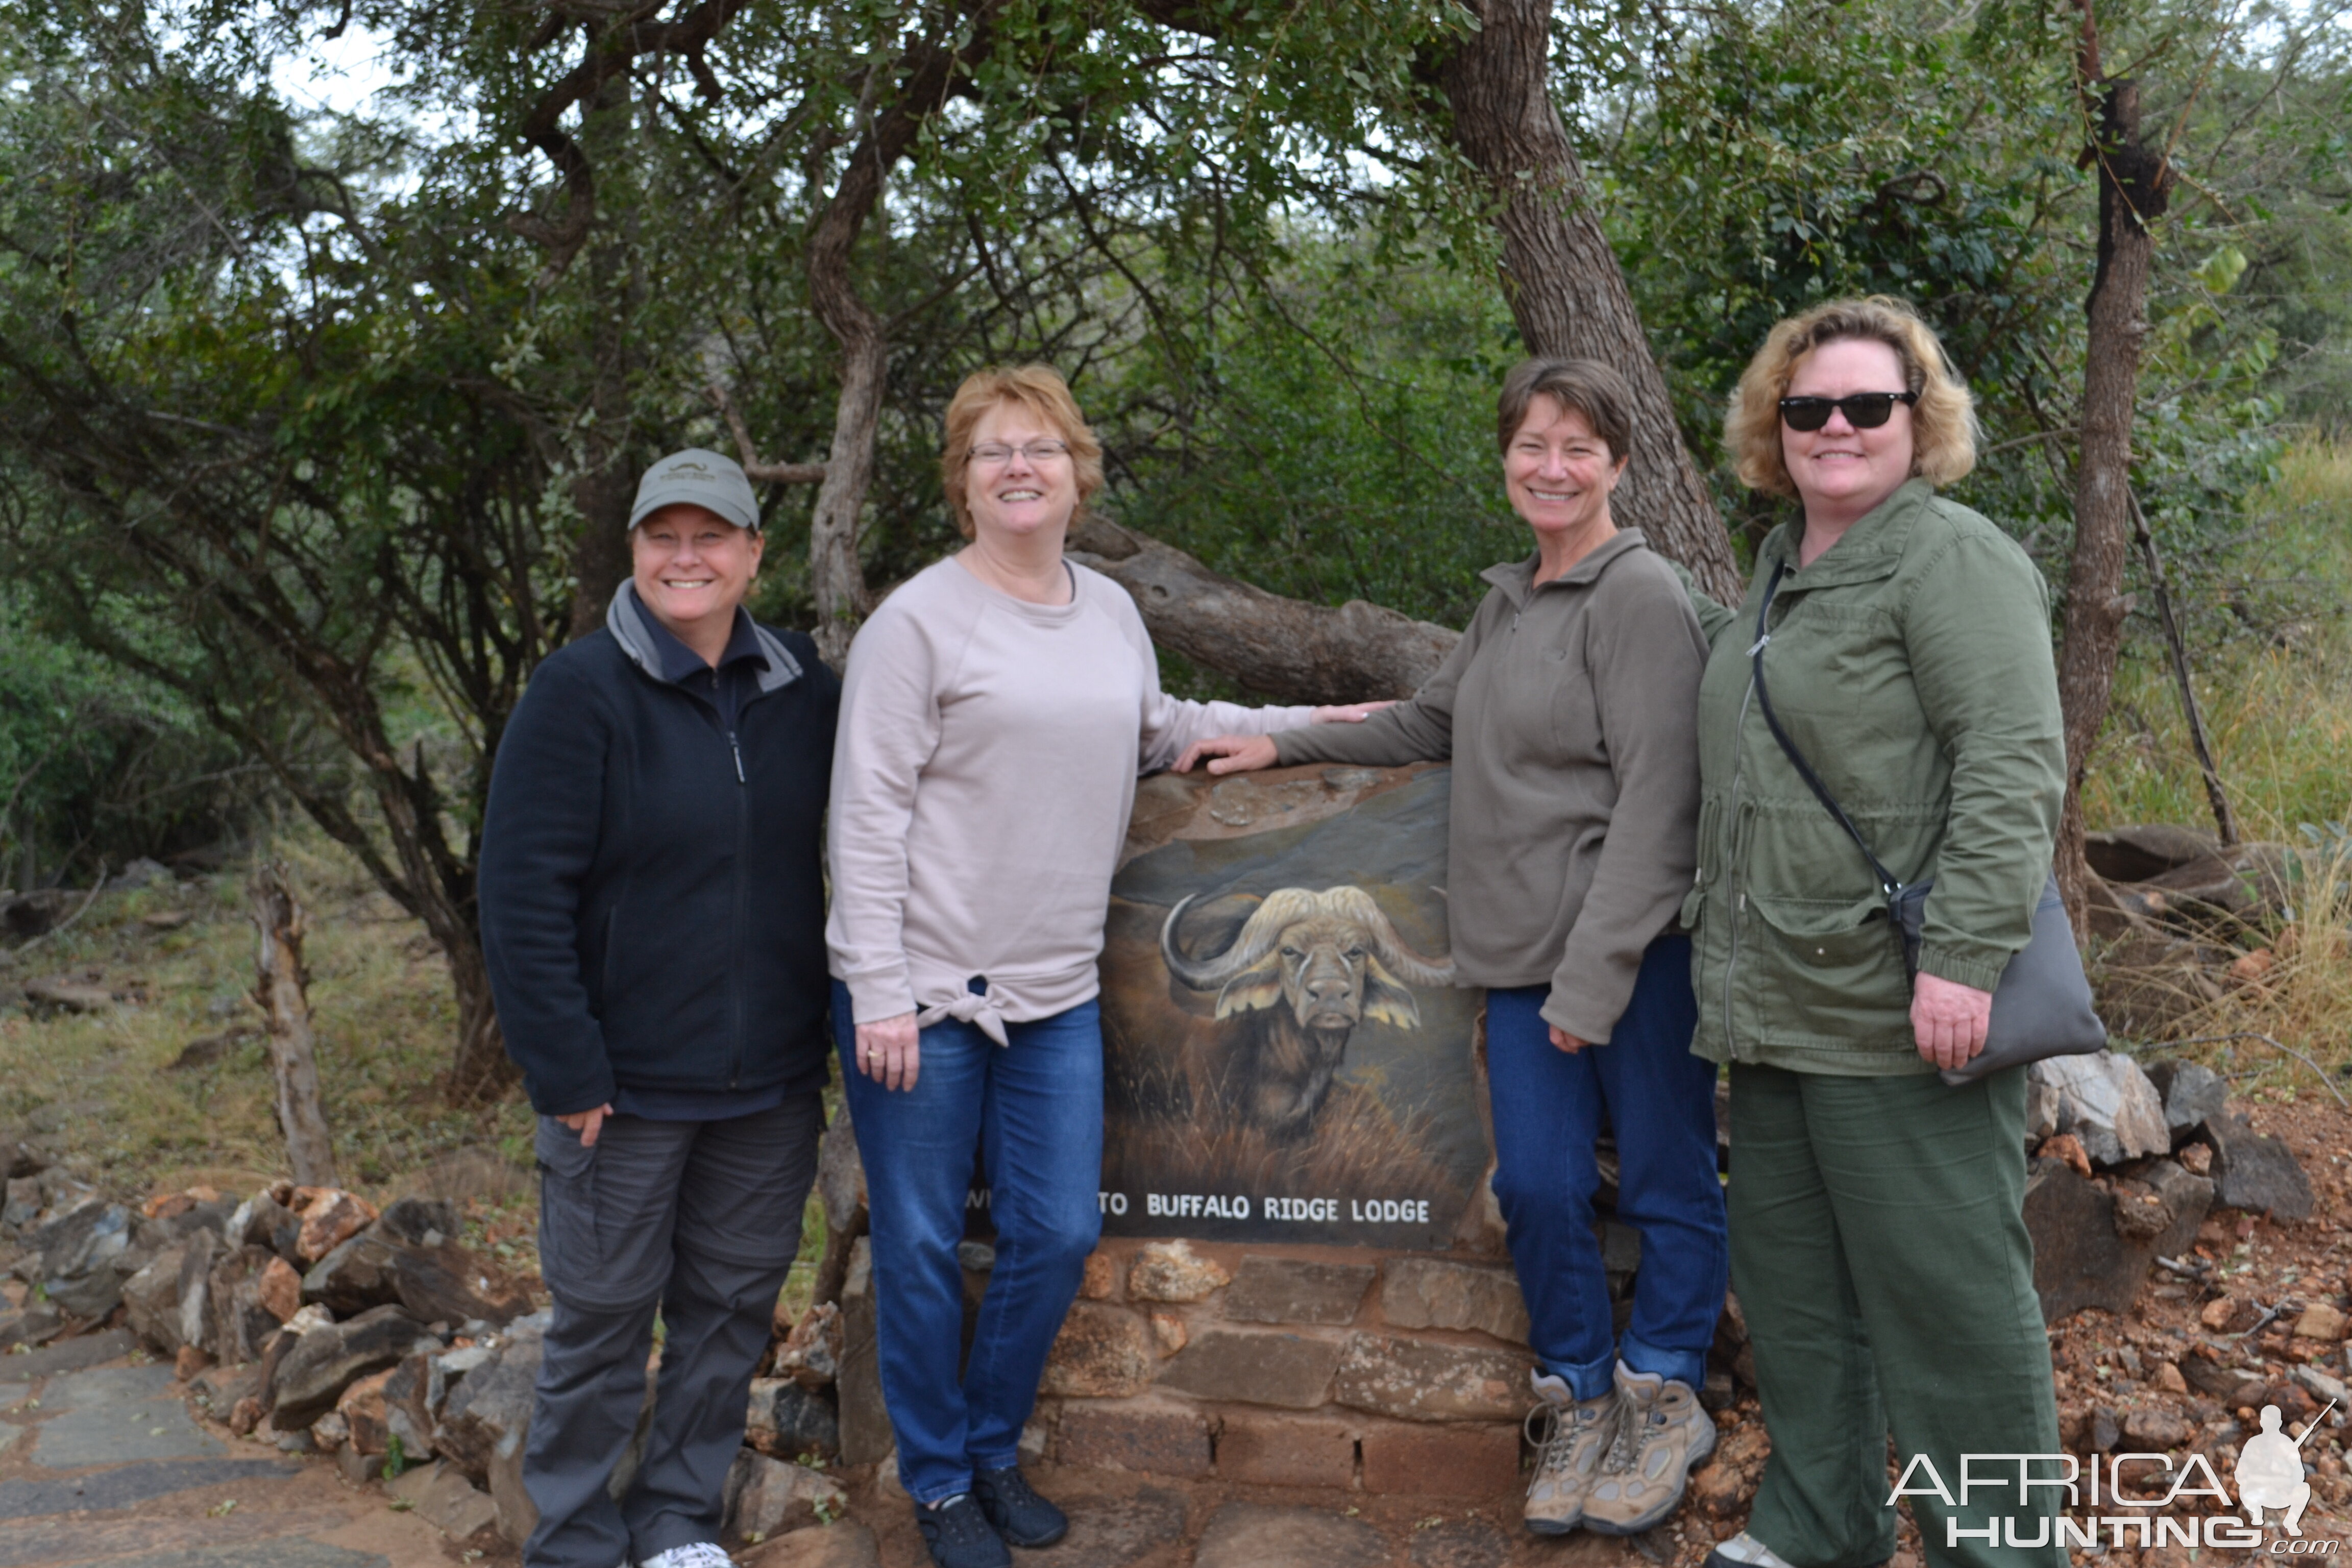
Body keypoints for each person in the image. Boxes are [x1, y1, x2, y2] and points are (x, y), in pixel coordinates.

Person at [825, 364, 1385, 1568]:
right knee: (921, 1242)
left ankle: (986, 1445)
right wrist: (875, 984)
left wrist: (1321, 729)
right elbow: (864, 814)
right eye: (991, 451)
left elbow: (1162, 725)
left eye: (1040, 447)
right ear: (962, 480)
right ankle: (934, 1481)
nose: (1017, 467)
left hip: (1053, 996)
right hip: (920, 991)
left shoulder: (1107, 608)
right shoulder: (915, 624)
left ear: (1080, 472)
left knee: (1059, 1228)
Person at [1177, 358, 1727, 1539]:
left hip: (1626, 952)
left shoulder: (1641, 599)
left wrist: (1594, 977)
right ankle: (1575, 1391)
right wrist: (1280, 743)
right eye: (1531, 444)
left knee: (1672, 1179)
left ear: (1619, 465)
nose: (1552, 466)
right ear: (1506, 461)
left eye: (1577, 447)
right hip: (1518, 953)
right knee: (1536, 1184)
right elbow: (1431, 718)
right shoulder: (1510, 600)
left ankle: (1663, 1390)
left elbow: (1660, 802)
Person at [1683, 297, 2068, 1568]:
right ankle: (1818, 1523)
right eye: (1807, 408)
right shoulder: (1780, 564)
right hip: (1776, 1008)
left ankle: (2001, 1551)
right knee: (1796, 1306)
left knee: (1953, 1311)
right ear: (1772, 427)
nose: (1834, 427)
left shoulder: (1950, 558)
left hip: (1898, 1010)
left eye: (1866, 404)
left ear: (1920, 420)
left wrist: (1960, 959)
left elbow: (2012, 766)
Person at [479, 449, 839, 1568]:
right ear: (635, 552)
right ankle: (575, 1540)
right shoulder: (578, 690)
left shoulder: (807, 690)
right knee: (600, 1323)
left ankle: (678, 1519)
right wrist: (567, 1071)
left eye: (712, 536)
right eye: (663, 537)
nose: (687, 558)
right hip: (620, 1089)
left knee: (730, 1316)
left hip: (769, 1085)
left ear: (752, 555)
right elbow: (519, 893)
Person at [2236, 1405, 2314, 1534]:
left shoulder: (2287, 1445)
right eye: (2265, 1422)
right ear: (2261, 1422)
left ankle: (2291, 1523)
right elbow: (2241, 1473)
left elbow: (2299, 1475)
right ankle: (2256, 1517)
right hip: (2257, 1490)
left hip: (2281, 1493)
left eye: (2271, 1422)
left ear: (2279, 1423)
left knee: (2304, 1489)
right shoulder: (2253, 1443)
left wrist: (2289, 1470)